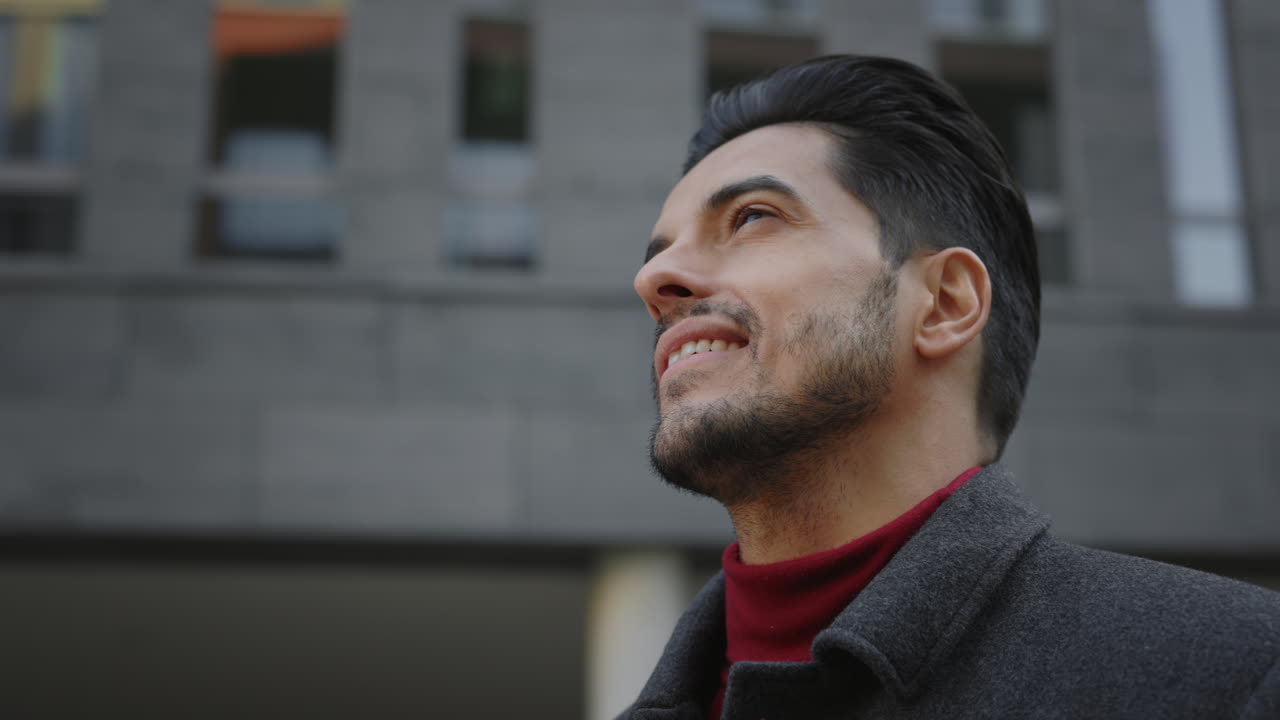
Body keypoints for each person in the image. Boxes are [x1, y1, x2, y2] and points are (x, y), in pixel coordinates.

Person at [622, 54, 1280, 720]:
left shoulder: (1240, 674)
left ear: (944, 303)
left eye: (751, 217)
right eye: (659, 255)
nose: (656, 282)